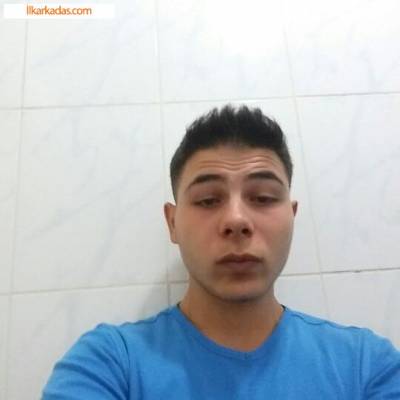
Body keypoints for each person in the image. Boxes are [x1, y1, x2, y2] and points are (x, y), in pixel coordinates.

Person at [42, 105, 400, 399]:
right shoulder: (109, 365)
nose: (236, 220)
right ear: (172, 223)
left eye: (263, 198)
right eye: (208, 200)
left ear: (292, 216)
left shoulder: (366, 367)